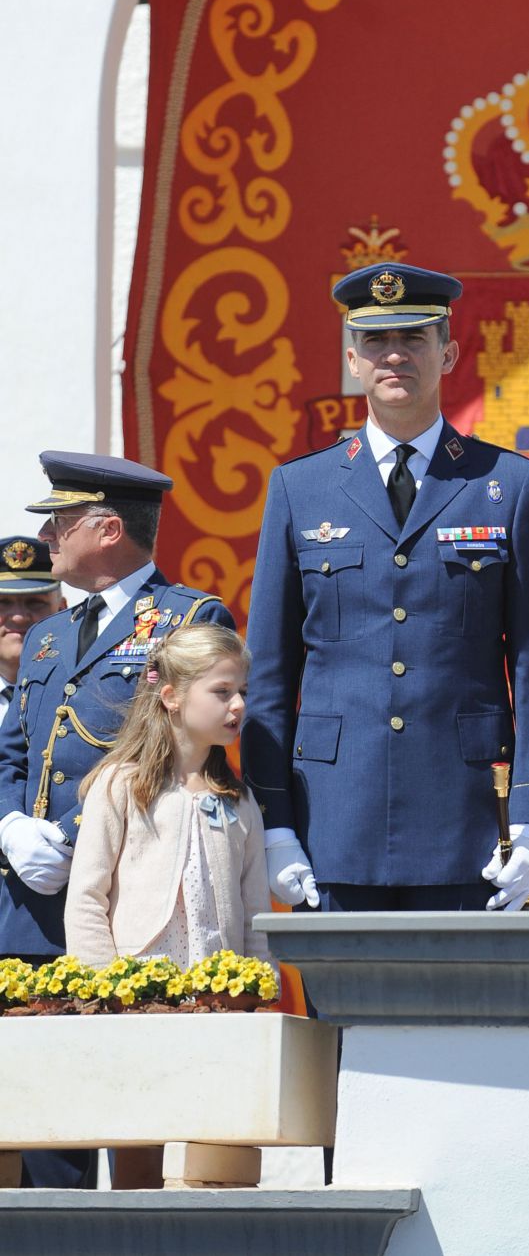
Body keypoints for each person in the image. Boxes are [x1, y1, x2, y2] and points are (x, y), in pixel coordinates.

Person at [242, 262, 529, 913]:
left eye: (414, 338)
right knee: (340, 1013)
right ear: (352, 359)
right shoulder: (299, 489)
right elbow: (271, 673)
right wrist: (273, 822)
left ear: (447, 352)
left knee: (458, 1012)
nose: (395, 355)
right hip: (335, 814)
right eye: (376, 341)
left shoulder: (505, 483)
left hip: (468, 814)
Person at [0, 452, 234, 1189]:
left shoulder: (189, 618)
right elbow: (10, 749)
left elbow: (191, 746)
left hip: (125, 896)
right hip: (30, 906)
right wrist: (9, 825)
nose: (48, 534)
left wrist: (77, 838)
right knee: (37, 1113)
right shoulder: (47, 635)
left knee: (133, 1108)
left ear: (105, 528)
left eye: (60, 519)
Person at [64, 625, 273, 971]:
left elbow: (256, 913)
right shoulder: (120, 785)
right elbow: (86, 899)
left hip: (218, 999)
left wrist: (257, 988)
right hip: (135, 995)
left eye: (242, 692)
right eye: (222, 692)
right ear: (171, 697)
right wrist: (103, 988)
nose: (239, 704)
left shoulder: (240, 800)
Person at [0, 538, 64, 727]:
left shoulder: (81, 694)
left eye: (35, 602)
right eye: (3, 603)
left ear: (62, 610)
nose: (19, 617)